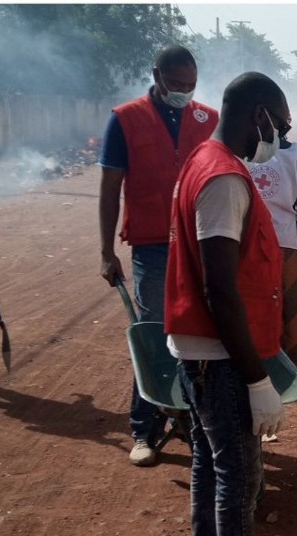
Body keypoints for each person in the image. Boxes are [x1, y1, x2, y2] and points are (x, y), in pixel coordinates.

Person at [165, 72, 297, 536]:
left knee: (211, 468)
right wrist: (257, 379)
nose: (281, 136)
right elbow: (220, 288)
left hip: (204, 353)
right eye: (278, 124)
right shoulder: (225, 179)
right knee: (239, 482)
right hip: (223, 357)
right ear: (257, 114)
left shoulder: (203, 161)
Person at [98, 45, 218, 467]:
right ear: (157, 75)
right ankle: (144, 430)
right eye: (177, 84)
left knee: (200, 331)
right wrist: (105, 250)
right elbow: (110, 188)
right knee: (154, 334)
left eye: (191, 85)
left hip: (200, 242)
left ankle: (199, 421)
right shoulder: (126, 119)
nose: (184, 92)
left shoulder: (207, 119)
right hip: (151, 245)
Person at [245, 123, 297, 366]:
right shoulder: (242, 152)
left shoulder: (295, 152)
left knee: (291, 306)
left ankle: (288, 366)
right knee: (256, 305)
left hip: (285, 241)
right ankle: (257, 363)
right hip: (249, 244)